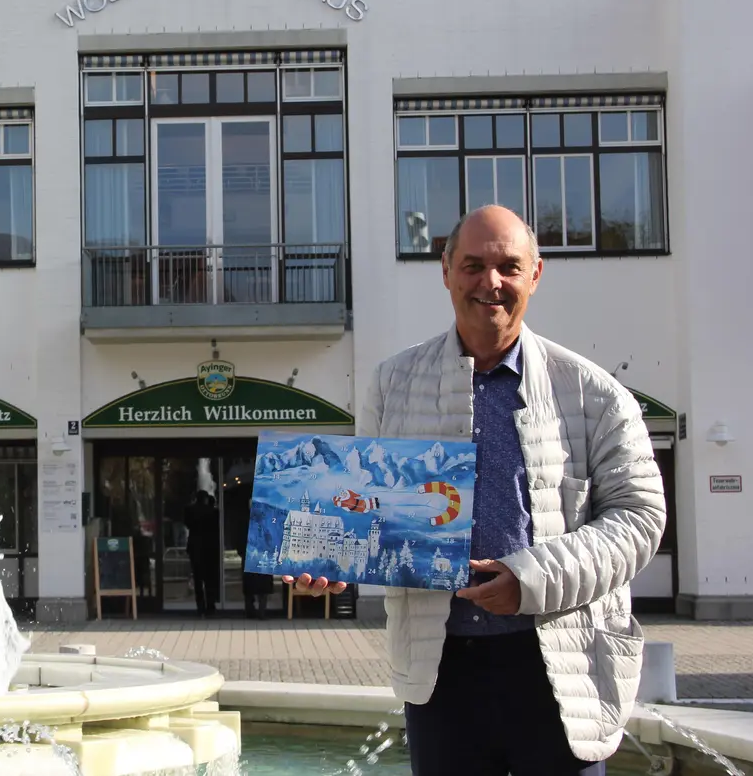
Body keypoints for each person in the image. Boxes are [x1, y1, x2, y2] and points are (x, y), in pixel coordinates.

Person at [285, 205, 666, 775]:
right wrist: (335, 559)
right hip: (442, 671)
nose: (490, 282)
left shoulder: (595, 394)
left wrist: (529, 579)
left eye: (509, 267)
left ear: (535, 276)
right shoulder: (393, 384)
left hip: (561, 666)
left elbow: (639, 520)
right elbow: (366, 505)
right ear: (445, 271)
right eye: (472, 265)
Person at [183, 490, 220, 616]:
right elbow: (216, 527)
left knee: (198, 578)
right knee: (210, 578)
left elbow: (187, 524)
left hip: (195, 547)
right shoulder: (213, 512)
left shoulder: (190, 510)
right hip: (210, 548)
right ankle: (211, 605)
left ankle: (200, 607)